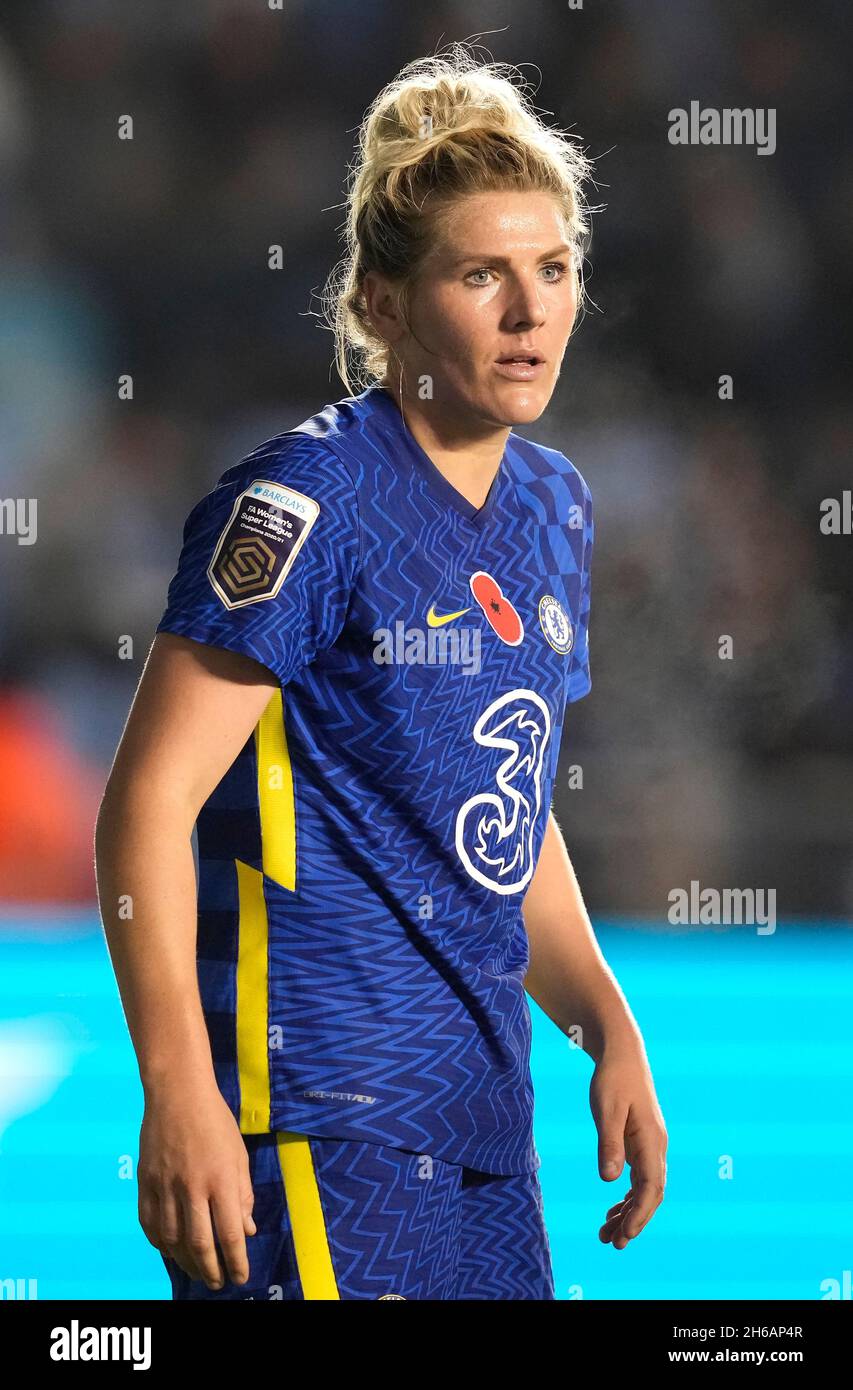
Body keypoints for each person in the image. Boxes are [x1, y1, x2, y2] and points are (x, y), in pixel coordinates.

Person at [95, 45, 667, 1302]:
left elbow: (500, 802)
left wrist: (604, 1021)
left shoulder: (555, 507)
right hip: (315, 1119)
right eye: (482, 275)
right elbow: (145, 803)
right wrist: (179, 1090)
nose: (530, 313)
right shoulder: (306, 501)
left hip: (484, 1132)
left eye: (553, 270)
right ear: (382, 302)